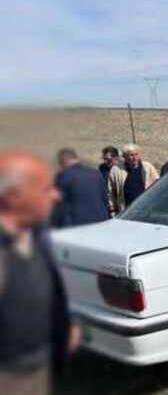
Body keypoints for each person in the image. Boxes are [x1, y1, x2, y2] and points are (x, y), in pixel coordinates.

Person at [0, 150, 79, 395]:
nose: (56, 195)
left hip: (40, 364)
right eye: (45, 189)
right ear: (13, 197)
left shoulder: (37, 236)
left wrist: (64, 326)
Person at [52, 148, 109, 228]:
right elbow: (105, 198)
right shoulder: (95, 173)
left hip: (77, 223)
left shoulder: (64, 175)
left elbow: (59, 202)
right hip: (100, 220)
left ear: (62, 160)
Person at [107, 144, 159, 215]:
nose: (134, 157)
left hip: (147, 210)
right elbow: (111, 192)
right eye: (131, 155)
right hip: (126, 211)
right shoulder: (116, 170)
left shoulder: (148, 167)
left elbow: (159, 185)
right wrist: (113, 210)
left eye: (136, 154)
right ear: (124, 156)